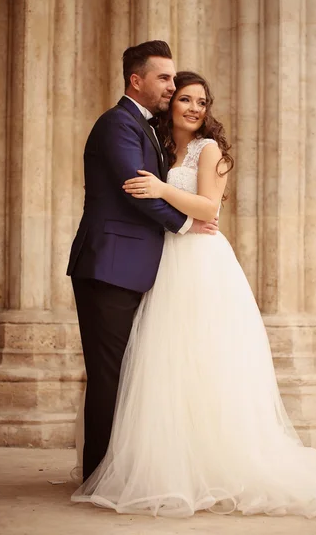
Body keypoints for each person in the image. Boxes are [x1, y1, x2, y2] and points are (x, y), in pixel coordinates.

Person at [71, 71, 316, 518]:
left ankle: (213, 463)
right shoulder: (160, 146)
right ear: (170, 105)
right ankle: (169, 460)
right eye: (186, 100)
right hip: (169, 257)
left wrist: (160, 188)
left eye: (202, 102)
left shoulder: (207, 149)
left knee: (205, 357)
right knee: (167, 363)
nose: (195, 108)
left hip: (200, 256)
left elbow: (210, 208)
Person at [67, 43, 218, 483]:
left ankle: (116, 468)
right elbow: (138, 188)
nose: (173, 87)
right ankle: (97, 476)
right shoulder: (118, 123)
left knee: (128, 374)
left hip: (135, 268)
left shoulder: (149, 128)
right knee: (109, 376)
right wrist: (187, 225)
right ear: (137, 80)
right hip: (109, 266)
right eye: (166, 79)